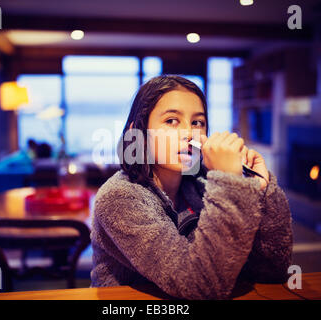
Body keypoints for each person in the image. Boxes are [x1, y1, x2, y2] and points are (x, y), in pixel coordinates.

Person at [90, 75, 293, 299]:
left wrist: (258, 191)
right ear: (138, 134)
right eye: (171, 121)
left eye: (197, 123)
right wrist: (227, 183)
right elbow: (200, 287)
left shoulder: (203, 186)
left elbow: (271, 270)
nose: (189, 133)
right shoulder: (120, 197)